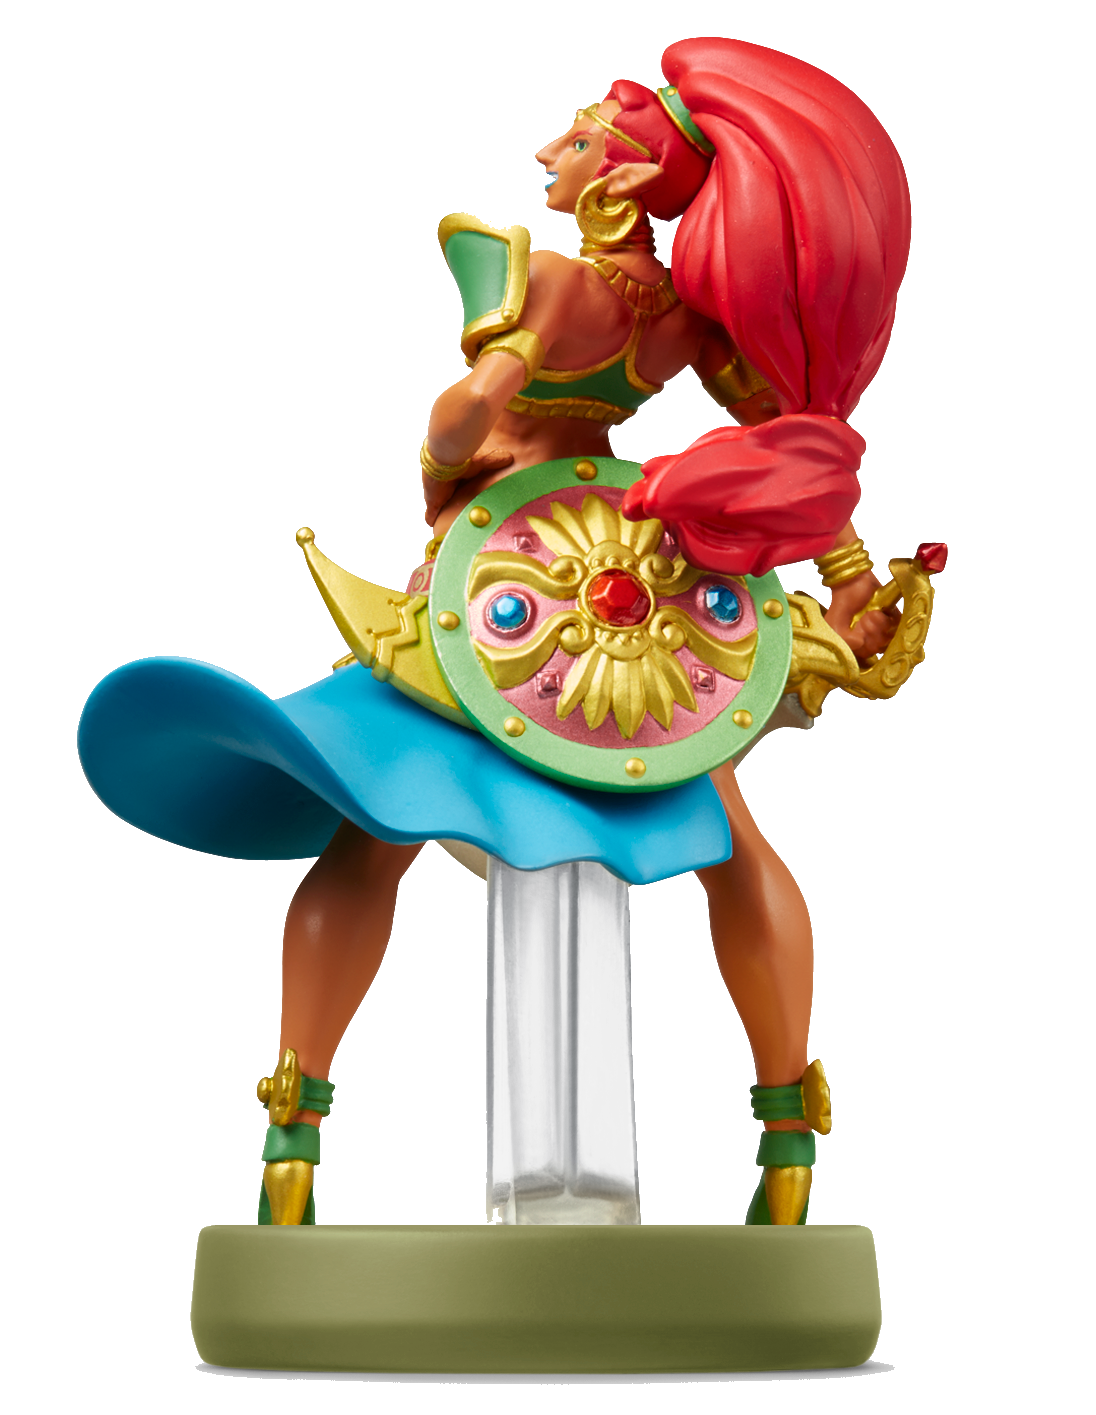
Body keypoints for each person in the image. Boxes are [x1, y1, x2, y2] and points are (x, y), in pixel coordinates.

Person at [263, 38, 911, 1228]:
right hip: (626, 597)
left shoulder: (542, 279)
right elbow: (794, 450)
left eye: (572, 139)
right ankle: (787, 1144)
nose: (544, 154)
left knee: (370, 843)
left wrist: (461, 421)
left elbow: (460, 425)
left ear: (621, 178)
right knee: (733, 843)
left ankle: (290, 1140)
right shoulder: (691, 325)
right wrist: (852, 576)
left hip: (500, 597)